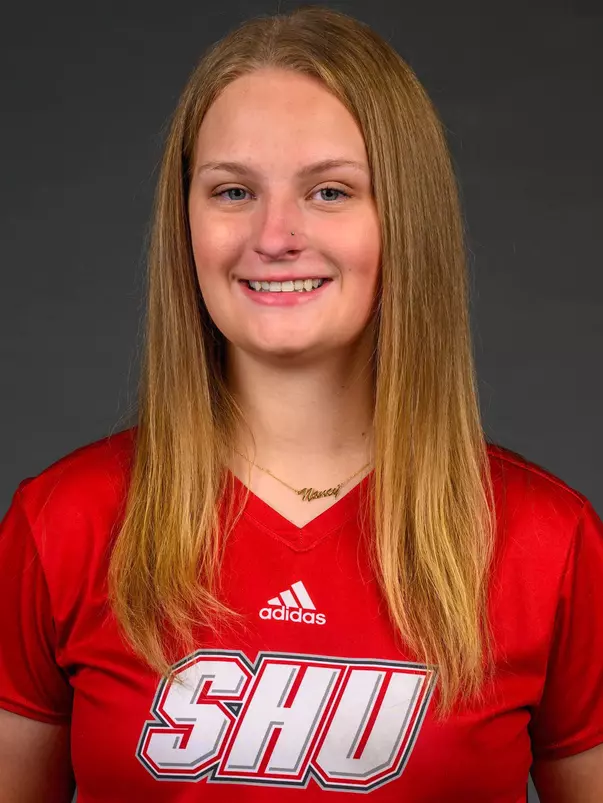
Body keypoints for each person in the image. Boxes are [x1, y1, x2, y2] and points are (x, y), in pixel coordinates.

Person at [0, 5, 602, 802]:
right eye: (233, 190)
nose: (274, 234)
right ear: (184, 222)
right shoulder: (62, 524)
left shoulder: (546, 543)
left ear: (404, 220)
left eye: (327, 190)